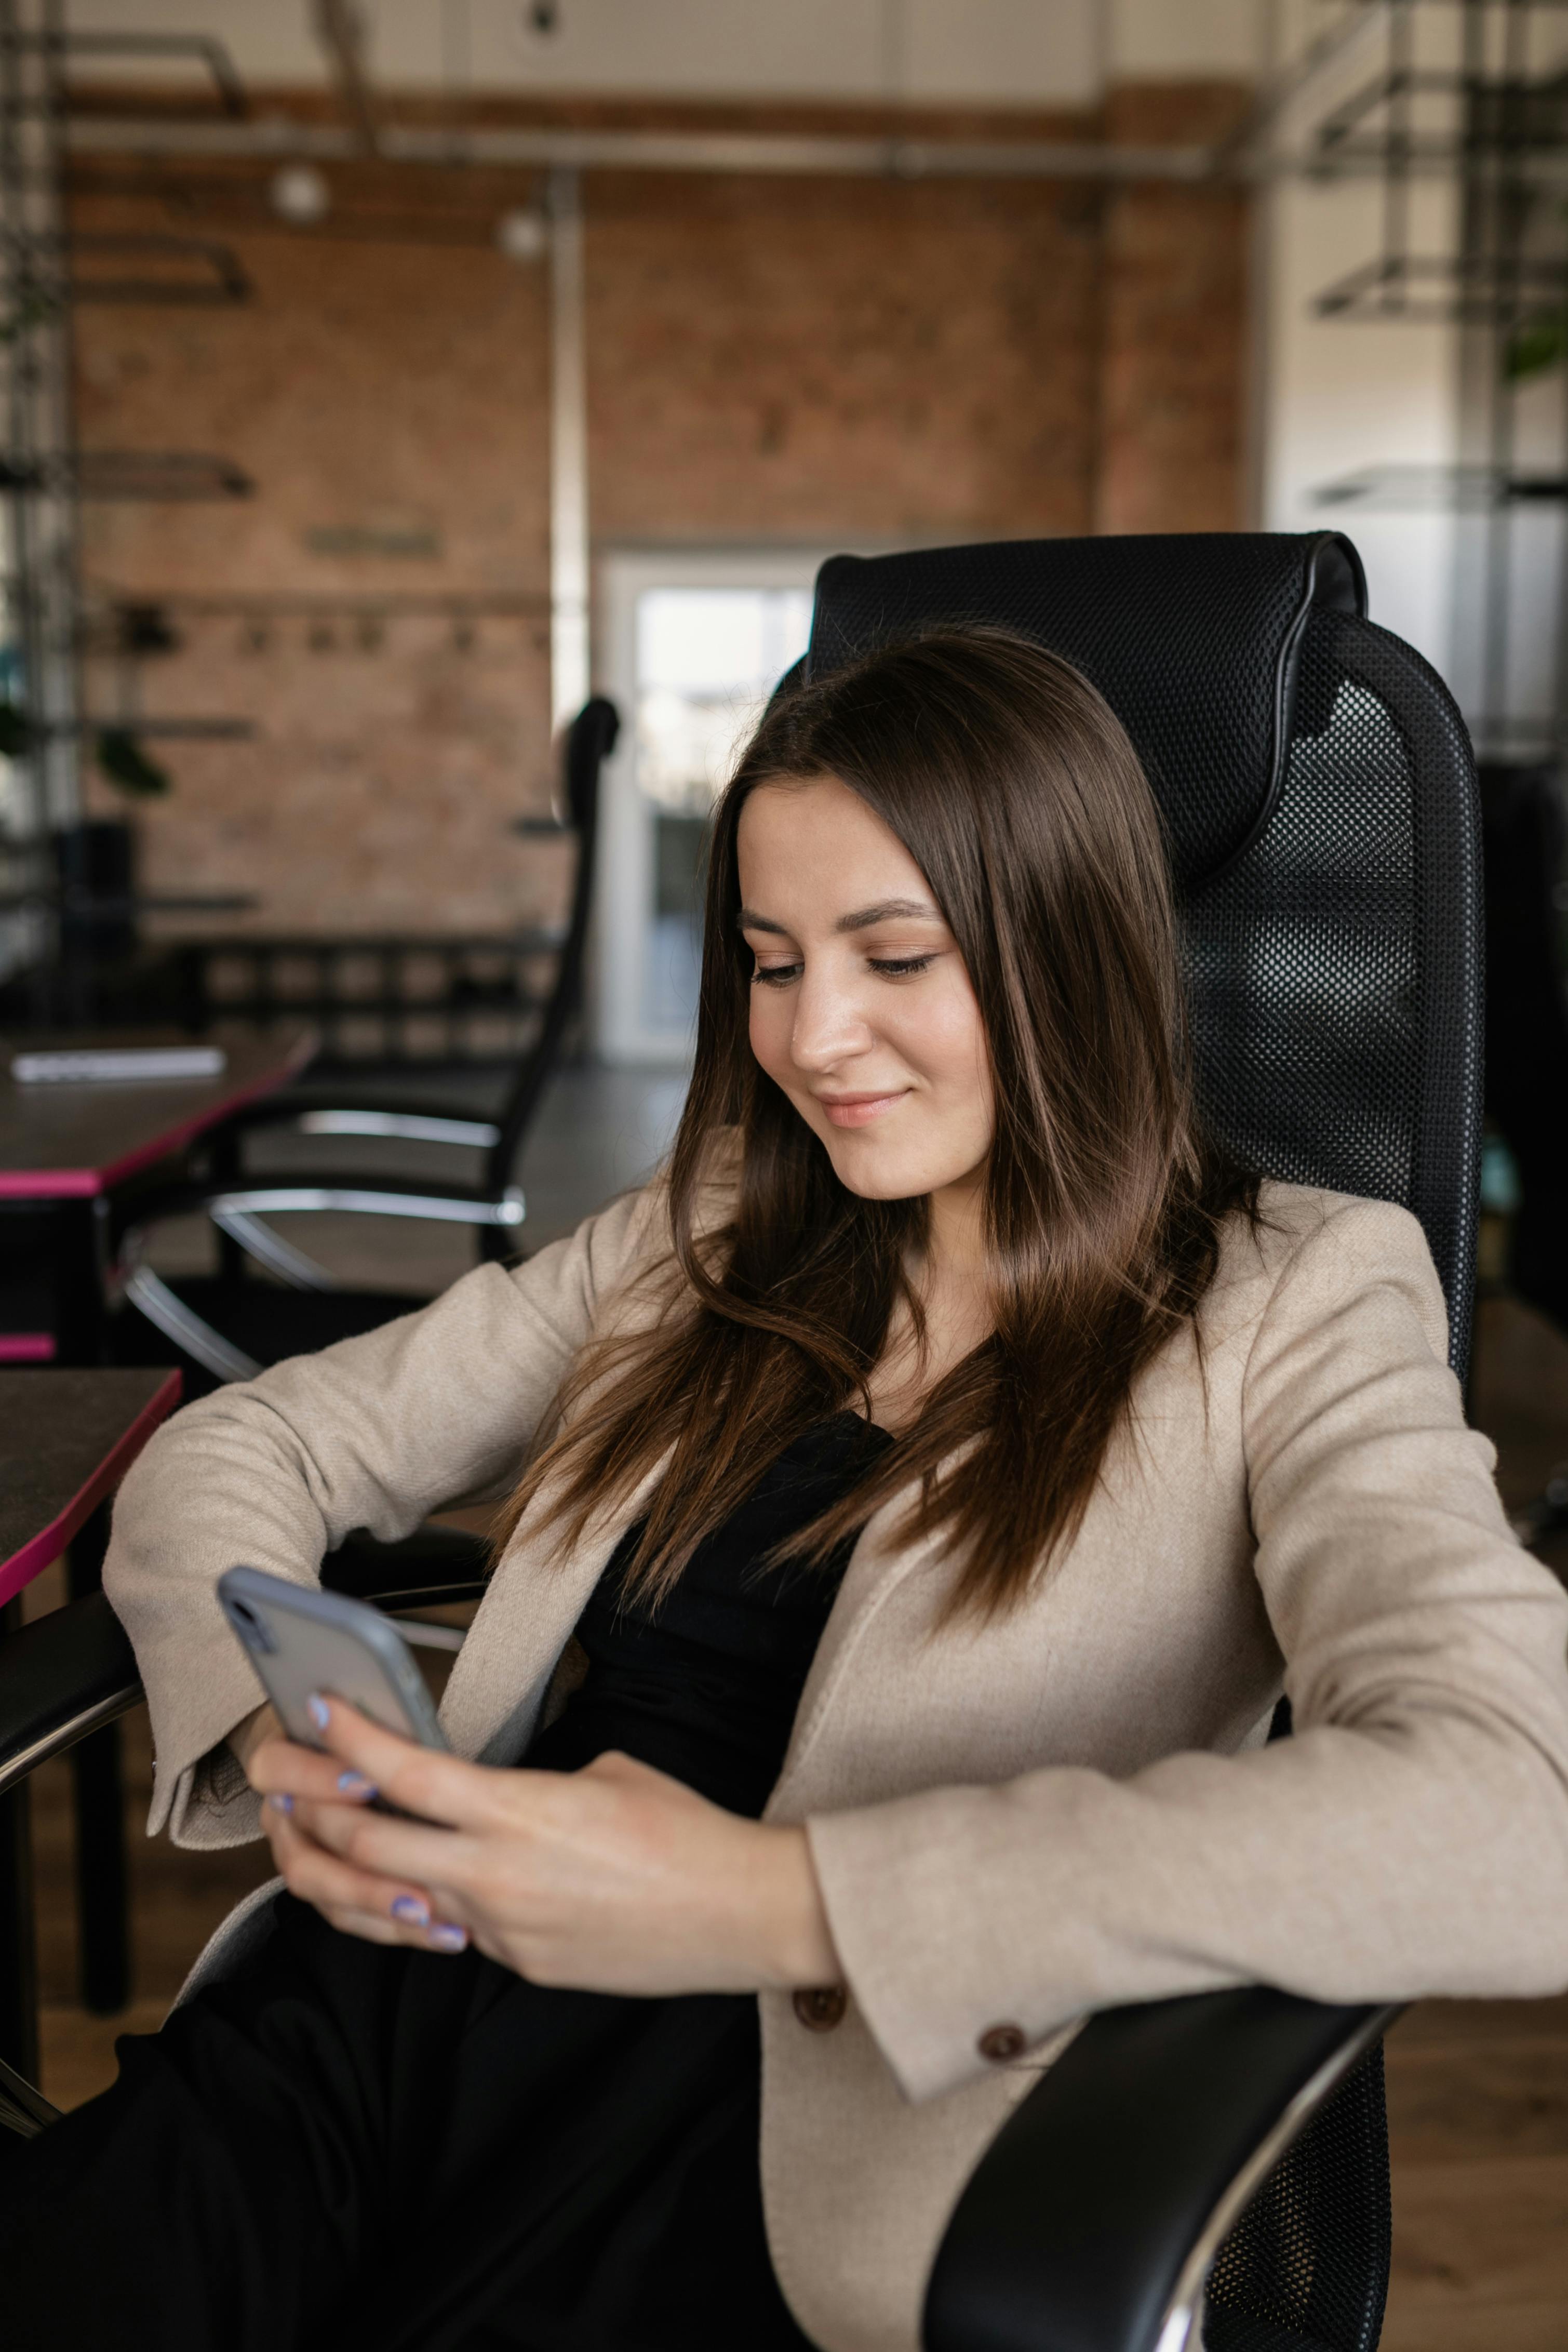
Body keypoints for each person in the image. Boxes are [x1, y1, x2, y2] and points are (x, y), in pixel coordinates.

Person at [4, 628, 1568, 2352]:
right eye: (767, 961)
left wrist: (768, 1900)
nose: (814, 1039)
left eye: (894, 954)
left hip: (801, 2149)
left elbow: (1522, 1812)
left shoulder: (1296, 1297)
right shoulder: (717, 1225)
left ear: (1071, 948)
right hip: (390, 2029)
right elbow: (256, 1443)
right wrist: (268, 1739)